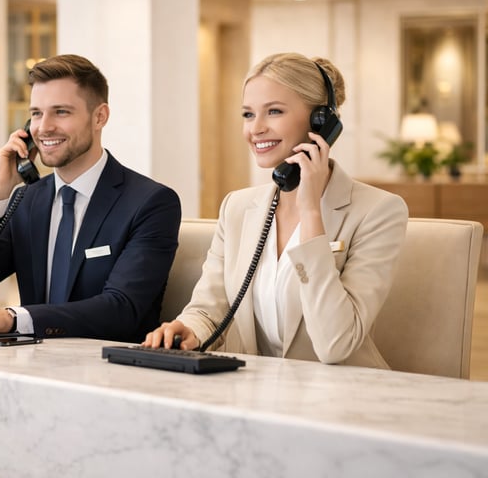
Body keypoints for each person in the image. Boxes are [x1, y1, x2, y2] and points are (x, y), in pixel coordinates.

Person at [144, 52, 408, 368]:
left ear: (321, 122)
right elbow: (209, 309)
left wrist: (311, 212)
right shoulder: (237, 207)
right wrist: (188, 330)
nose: (255, 129)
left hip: (340, 391)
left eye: (274, 111)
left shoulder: (379, 212)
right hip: (253, 386)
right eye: (248, 114)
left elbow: (335, 344)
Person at [0, 54, 181, 343]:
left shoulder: (151, 203)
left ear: (99, 117)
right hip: (32, 363)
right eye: (36, 113)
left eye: (61, 112)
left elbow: (122, 309)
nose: (44, 127)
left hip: (108, 365)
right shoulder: (27, 200)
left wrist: (14, 319)